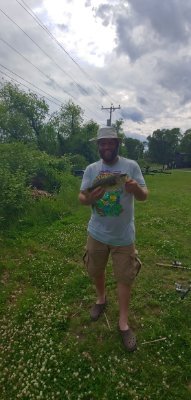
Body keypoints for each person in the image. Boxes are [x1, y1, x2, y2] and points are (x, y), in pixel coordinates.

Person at [78, 127, 148, 351]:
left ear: (118, 144)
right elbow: (82, 196)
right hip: (96, 233)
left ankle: (123, 323)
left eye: (110, 143)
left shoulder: (131, 167)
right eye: (102, 144)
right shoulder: (91, 169)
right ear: (98, 146)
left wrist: (135, 188)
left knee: (124, 278)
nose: (106, 147)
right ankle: (101, 299)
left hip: (124, 237)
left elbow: (144, 196)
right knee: (96, 270)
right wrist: (89, 199)